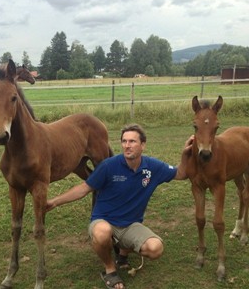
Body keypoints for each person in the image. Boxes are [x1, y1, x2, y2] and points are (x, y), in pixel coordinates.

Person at [46, 124, 194, 289]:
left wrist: (185, 153)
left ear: (143, 145)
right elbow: (84, 189)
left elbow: (181, 173)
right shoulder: (109, 166)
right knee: (102, 233)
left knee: (155, 248)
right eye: (124, 141)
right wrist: (54, 202)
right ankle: (110, 270)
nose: (127, 145)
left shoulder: (152, 167)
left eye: (132, 141)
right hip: (104, 221)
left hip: (130, 224)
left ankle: (122, 252)